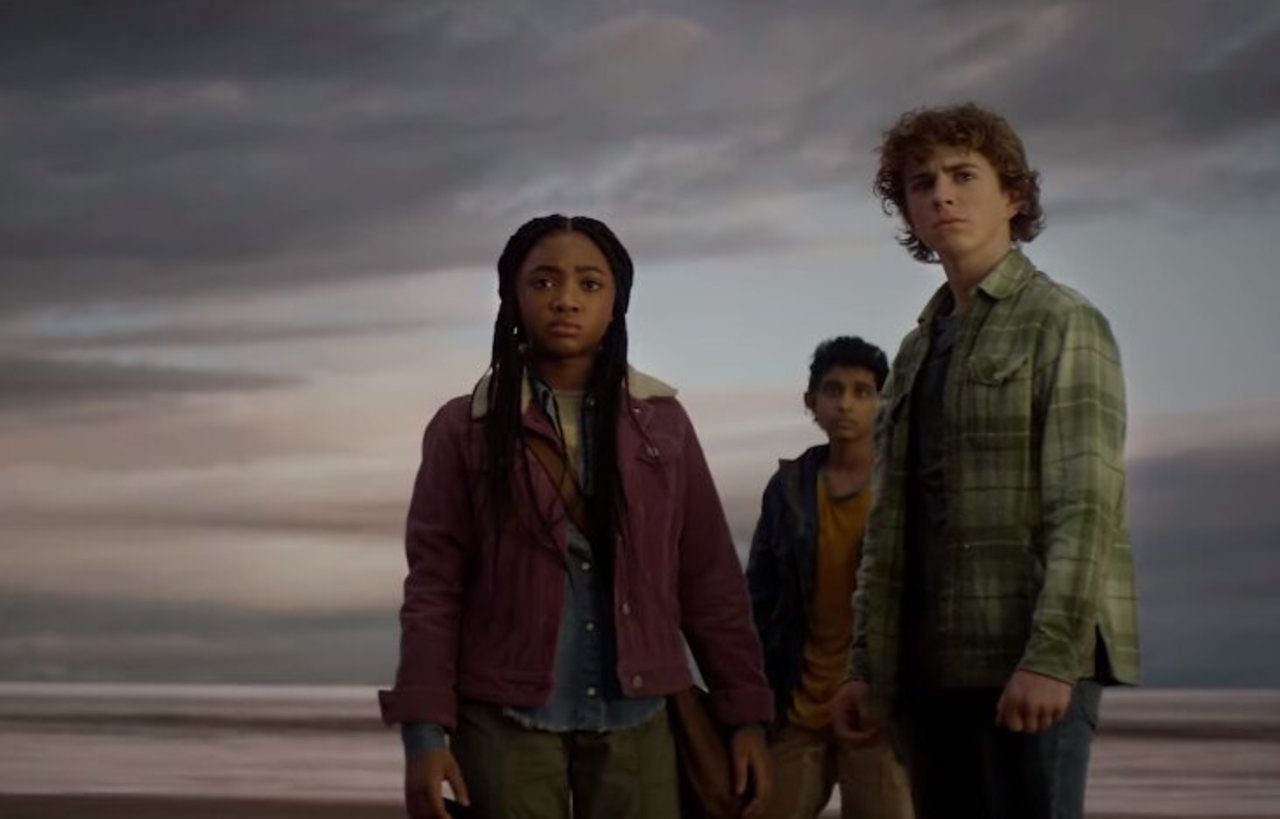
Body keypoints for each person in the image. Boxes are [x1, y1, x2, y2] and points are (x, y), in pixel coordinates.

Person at [379, 214, 773, 819]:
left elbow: (709, 579)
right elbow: (434, 589)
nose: (566, 299)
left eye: (590, 284)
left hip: (638, 715)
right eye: (543, 282)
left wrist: (745, 717)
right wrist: (425, 735)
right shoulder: (465, 427)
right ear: (513, 296)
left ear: (616, 303)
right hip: (503, 720)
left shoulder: (662, 423)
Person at [830, 104, 1140, 819]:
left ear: (1014, 196)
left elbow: (1085, 503)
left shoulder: (1062, 321)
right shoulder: (916, 349)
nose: (941, 194)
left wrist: (1052, 656)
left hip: (1024, 660)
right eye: (922, 183)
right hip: (924, 669)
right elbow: (890, 524)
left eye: (963, 175)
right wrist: (866, 667)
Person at [747, 336, 913, 819]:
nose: (846, 404)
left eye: (863, 392)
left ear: (884, 402)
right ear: (811, 401)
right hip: (797, 706)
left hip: (877, 712)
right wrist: (751, 707)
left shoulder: (903, 486)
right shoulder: (789, 488)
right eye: (833, 390)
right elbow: (758, 600)